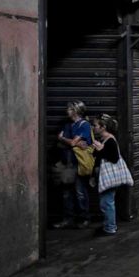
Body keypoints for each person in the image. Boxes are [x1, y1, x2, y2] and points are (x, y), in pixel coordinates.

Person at [53, 101, 93, 229]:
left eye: (69, 109)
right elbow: (66, 144)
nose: (66, 111)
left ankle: (85, 218)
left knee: (80, 191)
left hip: (79, 164)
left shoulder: (84, 125)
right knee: (66, 192)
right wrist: (72, 142)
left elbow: (70, 143)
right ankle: (68, 219)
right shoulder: (67, 125)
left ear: (75, 111)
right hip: (67, 164)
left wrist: (62, 139)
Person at [91, 114, 127, 237]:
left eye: (95, 125)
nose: (93, 127)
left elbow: (114, 158)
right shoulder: (104, 139)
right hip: (104, 177)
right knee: (105, 202)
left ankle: (110, 227)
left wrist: (101, 150)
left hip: (109, 178)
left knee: (107, 202)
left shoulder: (110, 140)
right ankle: (108, 225)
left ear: (103, 127)